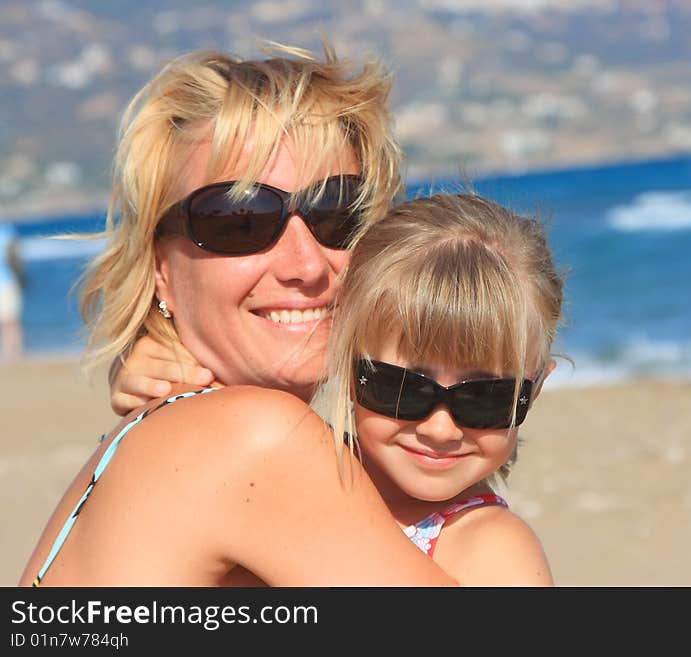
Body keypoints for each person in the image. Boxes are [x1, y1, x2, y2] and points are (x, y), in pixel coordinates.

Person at [20, 43, 455, 586]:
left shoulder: (174, 431)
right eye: (239, 219)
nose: (305, 264)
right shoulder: (254, 436)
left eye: (338, 211)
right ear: (160, 268)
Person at [117, 194, 565, 583]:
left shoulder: (493, 551)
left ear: (534, 390)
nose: (440, 429)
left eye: (483, 398)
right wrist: (157, 371)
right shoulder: (290, 462)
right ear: (345, 359)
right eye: (402, 388)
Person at [0, 222, 24, 361]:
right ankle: (14, 352)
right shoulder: (6, 232)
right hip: (7, 282)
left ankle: (12, 352)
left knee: (10, 321)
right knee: (11, 321)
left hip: (6, 281)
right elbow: (15, 259)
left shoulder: (5, 231)